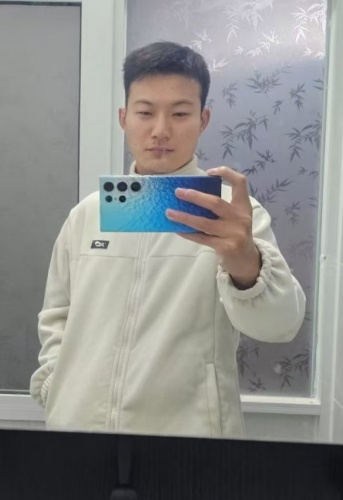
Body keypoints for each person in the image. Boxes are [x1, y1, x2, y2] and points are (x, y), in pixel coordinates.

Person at [30, 41, 306, 438]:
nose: (160, 130)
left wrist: (245, 262)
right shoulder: (89, 215)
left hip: (187, 443)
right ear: (124, 118)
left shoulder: (231, 217)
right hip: (81, 435)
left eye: (179, 113)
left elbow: (280, 326)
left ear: (203, 119)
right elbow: (57, 314)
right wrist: (58, 386)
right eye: (145, 112)